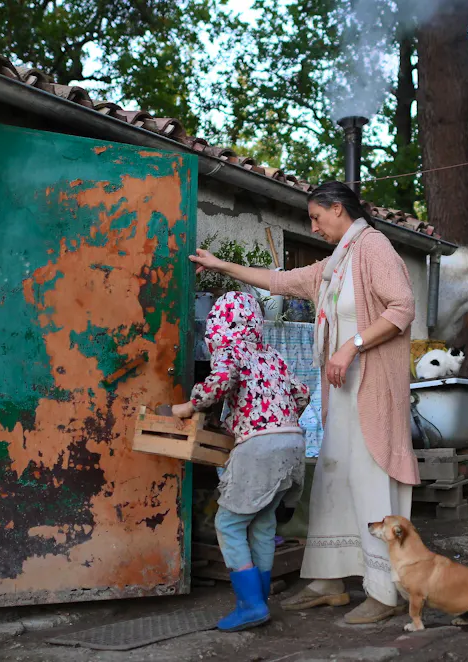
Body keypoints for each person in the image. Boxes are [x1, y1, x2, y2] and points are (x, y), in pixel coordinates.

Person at [190, 181, 420, 625]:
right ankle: (329, 581)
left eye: (317, 217)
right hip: (344, 394)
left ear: (338, 209)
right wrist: (220, 264)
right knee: (333, 483)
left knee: (371, 481)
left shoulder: (374, 248)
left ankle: (383, 591)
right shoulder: (336, 264)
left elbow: (403, 306)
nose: (313, 227)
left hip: (372, 392)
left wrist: (350, 345)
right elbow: (280, 280)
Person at [171, 291, 310, 632]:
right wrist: (278, 422)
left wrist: (190, 407)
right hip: (293, 444)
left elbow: (219, 383)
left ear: (218, 327)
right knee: (263, 524)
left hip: (260, 449)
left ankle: (249, 605)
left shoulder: (231, 351)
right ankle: (260, 598)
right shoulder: (272, 356)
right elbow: (302, 393)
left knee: (229, 524)